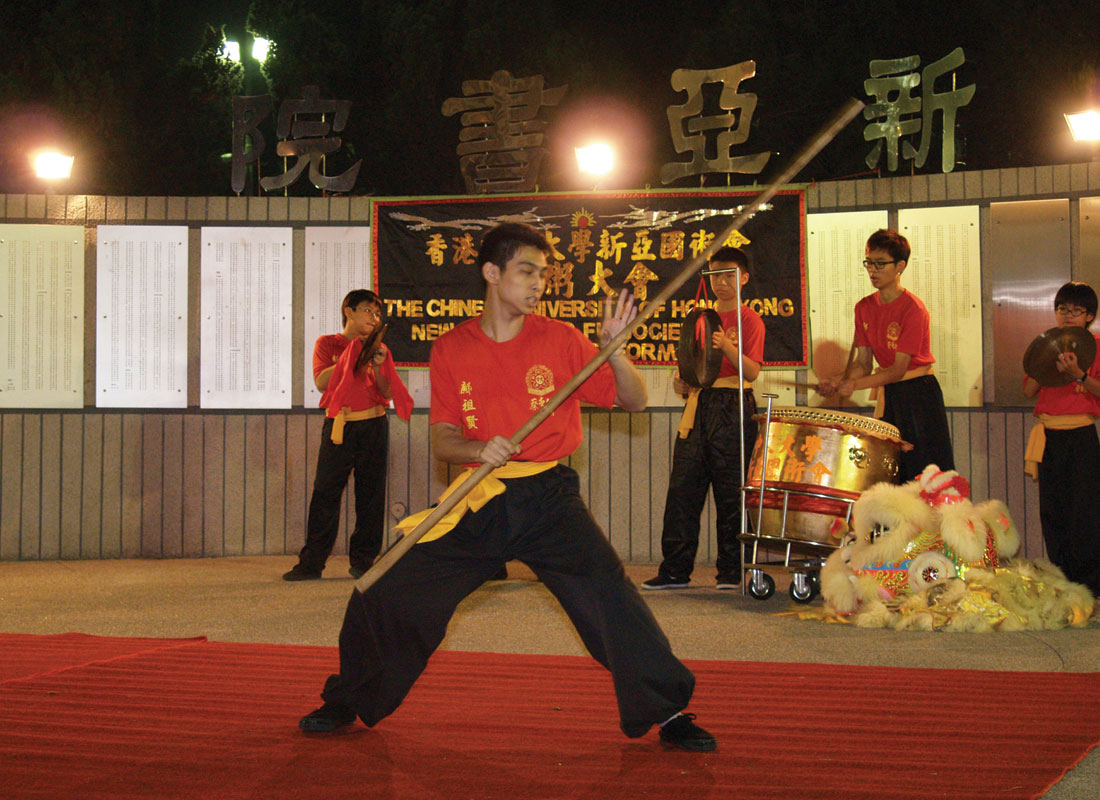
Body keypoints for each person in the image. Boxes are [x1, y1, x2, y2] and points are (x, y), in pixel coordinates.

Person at [298, 222, 716, 751]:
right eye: (527, 271)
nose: (539, 283)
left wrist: (614, 351)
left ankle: (669, 709)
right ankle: (349, 698)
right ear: (492, 273)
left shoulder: (561, 339)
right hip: (478, 495)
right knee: (386, 584)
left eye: (544, 273)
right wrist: (479, 450)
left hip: (549, 496)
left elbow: (632, 401)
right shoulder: (451, 348)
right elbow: (445, 441)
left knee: (609, 595)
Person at [643, 247, 764, 591]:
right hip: (697, 404)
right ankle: (674, 571)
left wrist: (726, 345)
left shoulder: (749, 319)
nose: (721, 283)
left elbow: (752, 371)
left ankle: (731, 571)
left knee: (731, 492)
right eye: (714, 276)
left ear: (743, 278)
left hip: (733, 404)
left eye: (728, 275)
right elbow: (688, 366)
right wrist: (680, 382)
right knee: (683, 490)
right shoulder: (699, 318)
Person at [283, 289, 412, 582]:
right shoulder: (328, 343)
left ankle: (364, 561)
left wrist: (379, 365)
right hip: (340, 424)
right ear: (349, 311)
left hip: (374, 425)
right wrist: (350, 357)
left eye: (378, 314)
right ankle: (311, 563)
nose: (374, 318)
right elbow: (320, 382)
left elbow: (386, 392)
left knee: (371, 494)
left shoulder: (381, 349)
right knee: (325, 493)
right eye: (368, 310)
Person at [817, 228, 954, 481]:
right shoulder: (864, 307)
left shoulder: (913, 308)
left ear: (900, 266)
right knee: (892, 473)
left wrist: (854, 384)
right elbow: (863, 364)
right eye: (869, 263)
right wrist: (836, 381)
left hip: (918, 395)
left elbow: (898, 370)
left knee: (924, 474)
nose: (872, 270)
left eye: (881, 264)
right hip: (890, 393)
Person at [1023, 281, 1100, 595]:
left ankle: (1091, 588)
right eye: (1062, 309)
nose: (1068, 315)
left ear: (1089, 316)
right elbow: (1028, 391)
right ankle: (1063, 584)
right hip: (1049, 438)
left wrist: (1079, 374)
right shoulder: (1048, 346)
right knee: (1053, 513)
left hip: (1081, 437)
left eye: (1076, 310)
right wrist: (1047, 364)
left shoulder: (1095, 346)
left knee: (1085, 514)